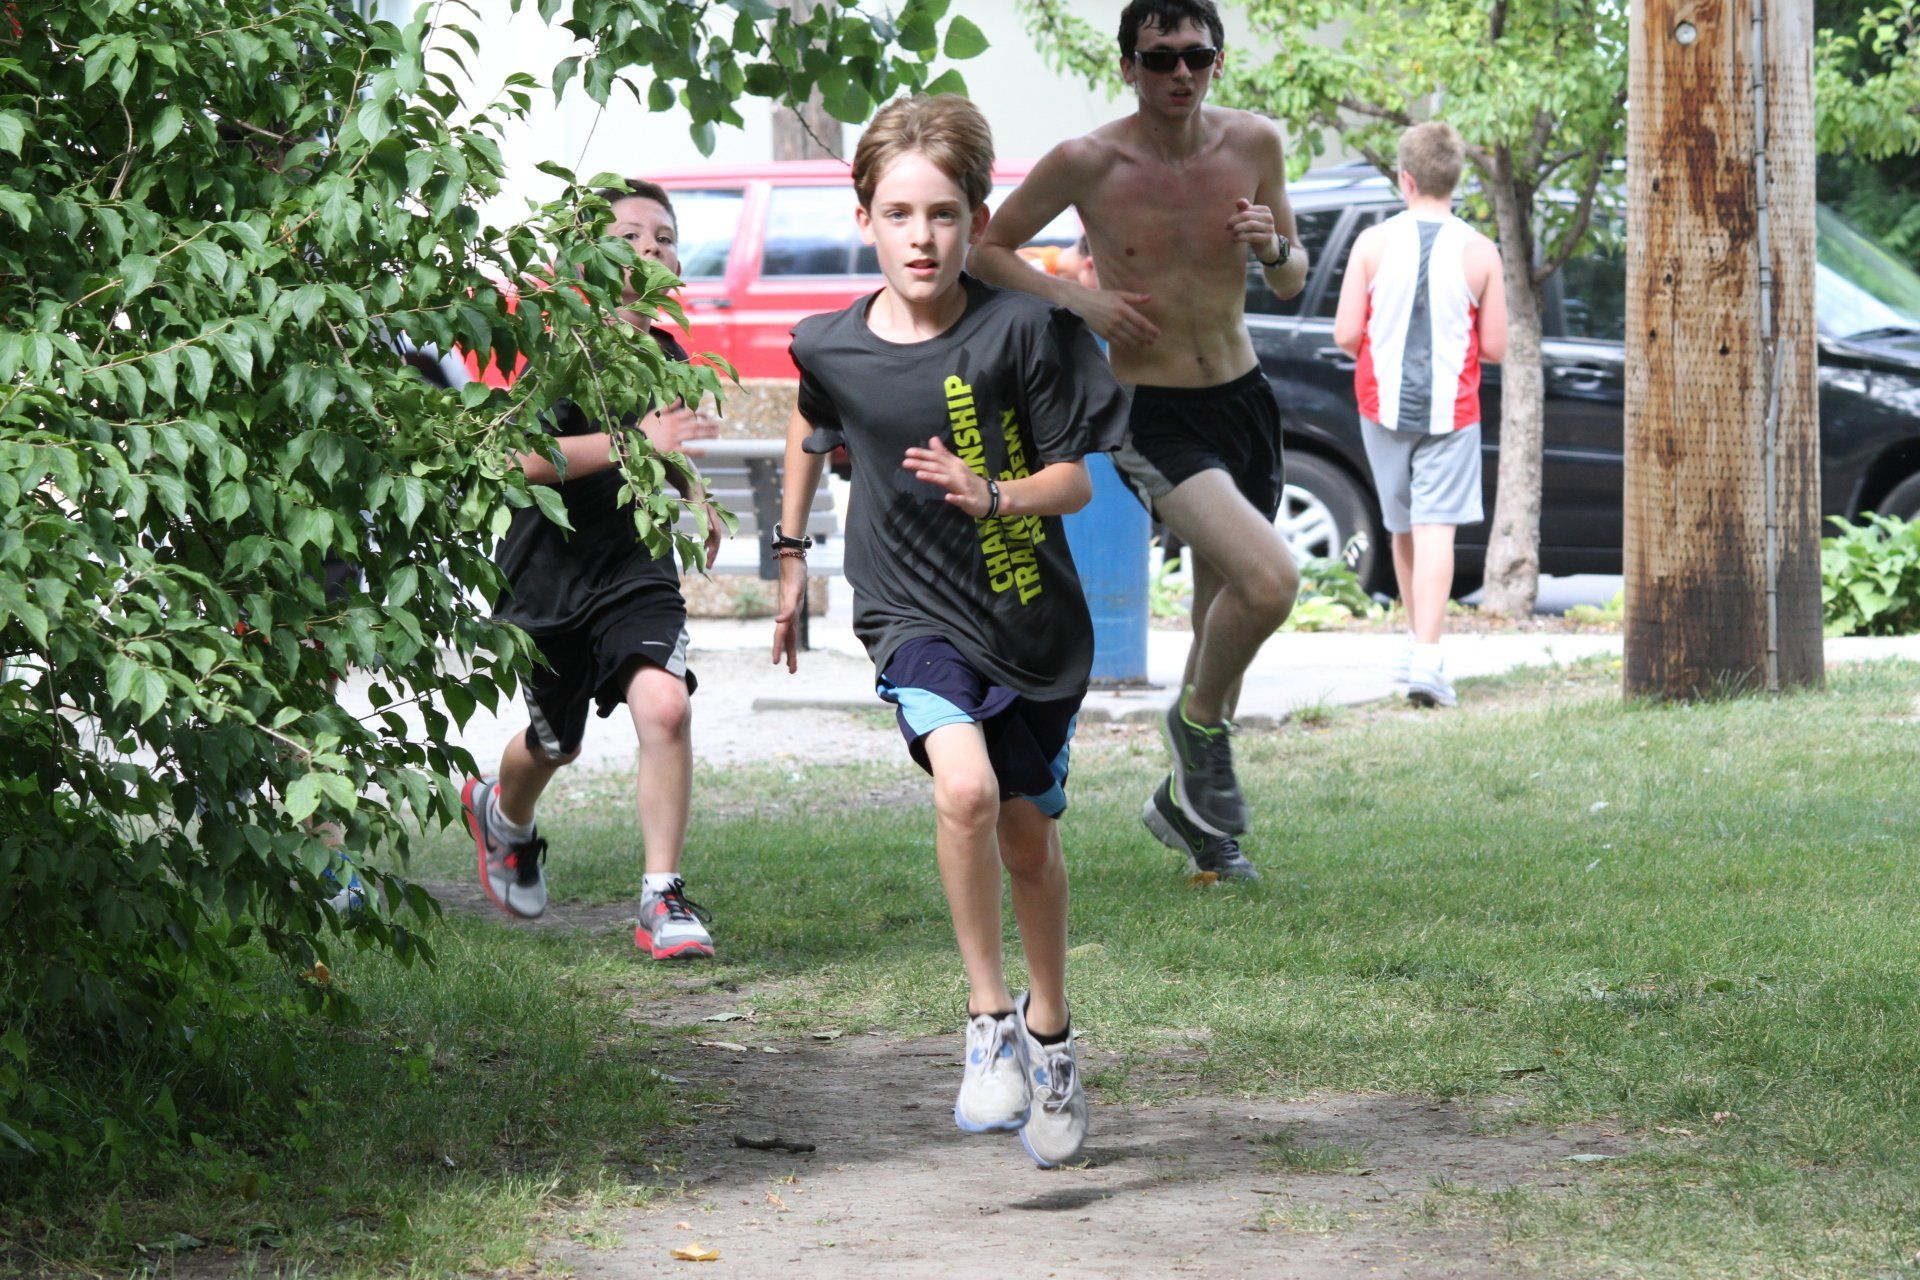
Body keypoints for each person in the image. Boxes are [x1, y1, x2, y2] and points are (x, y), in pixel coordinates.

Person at [771, 94, 1127, 1167]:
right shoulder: (827, 341)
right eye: (898, 213)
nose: (920, 237)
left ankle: (1051, 1031)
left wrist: (995, 492)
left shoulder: (1028, 329)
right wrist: (790, 560)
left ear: (976, 218)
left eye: (942, 214)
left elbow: (1075, 481)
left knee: (1027, 835)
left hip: (1027, 616)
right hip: (908, 611)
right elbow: (809, 419)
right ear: (865, 217)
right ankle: (985, 1021)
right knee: (962, 789)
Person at [971, 0, 1309, 883]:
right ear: (1128, 66)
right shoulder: (1091, 160)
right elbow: (988, 250)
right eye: (1160, 59)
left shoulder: (1256, 143)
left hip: (1244, 399)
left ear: (1218, 64)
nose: (1180, 75)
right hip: (1151, 412)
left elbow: (1292, 274)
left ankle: (1196, 824)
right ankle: (1197, 732)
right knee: (1270, 578)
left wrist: (1272, 246)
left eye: (1197, 57)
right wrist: (1079, 301)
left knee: (1219, 616)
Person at [460, 179, 726, 960]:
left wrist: (697, 495)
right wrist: (636, 445)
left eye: (664, 239)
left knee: (666, 708)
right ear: (582, 259)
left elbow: (662, 447)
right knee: (555, 743)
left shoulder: (669, 353)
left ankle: (661, 897)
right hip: (544, 576)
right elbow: (516, 458)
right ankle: (500, 816)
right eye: (630, 237)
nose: (650, 249)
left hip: (634, 570)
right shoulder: (552, 347)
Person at [1332, 122, 1507, 708]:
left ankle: (1415, 643)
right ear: (1455, 180)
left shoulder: (1372, 244)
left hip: (1379, 405)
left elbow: (1346, 333)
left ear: (1404, 179)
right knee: (1439, 529)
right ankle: (1428, 658)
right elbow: (1496, 347)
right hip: (1451, 410)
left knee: (1402, 526)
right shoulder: (1482, 252)